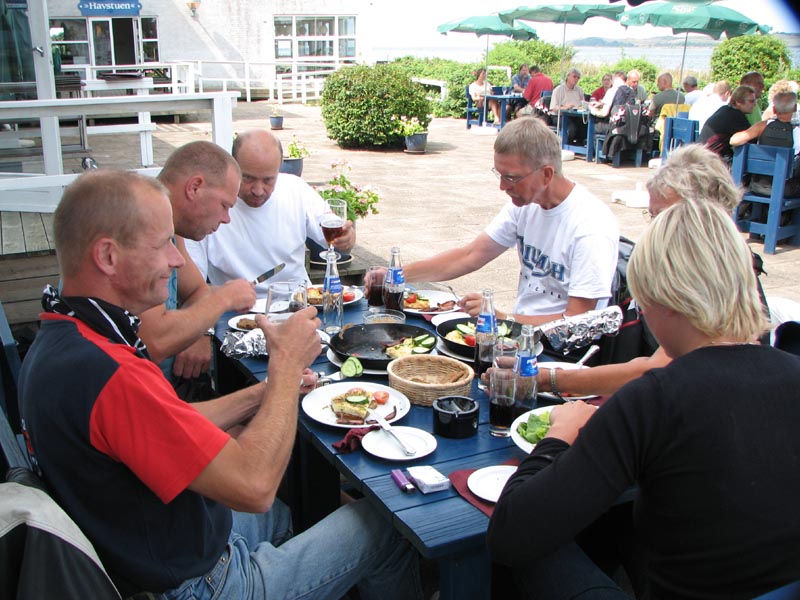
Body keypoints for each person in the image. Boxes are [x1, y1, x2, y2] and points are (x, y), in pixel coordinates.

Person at [18, 170, 423, 600]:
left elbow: (168, 420)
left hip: (156, 540)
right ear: (108, 256)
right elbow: (255, 487)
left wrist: (266, 392)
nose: (176, 261)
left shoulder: (65, 336)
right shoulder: (109, 374)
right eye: (163, 244)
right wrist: (285, 368)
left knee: (301, 502)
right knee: (389, 522)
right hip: (199, 584)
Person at [488, 198, 800, 599]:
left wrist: (557, 438)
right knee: (616, 520)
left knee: (524, 548)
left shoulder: (654, 400)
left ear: (663, 299)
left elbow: (511, 535)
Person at [534, 144, 746, 397]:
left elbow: (656, 370)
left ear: (704, 217)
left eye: (664, 217)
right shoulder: (691, 264)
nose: (654, 228)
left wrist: (550, 380)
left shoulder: (721, 277)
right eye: (652, 215)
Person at [391, 117, 619, 326]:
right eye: (499, 175)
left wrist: (505, 319)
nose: (502, 186)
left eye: (511, 177)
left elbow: (578, 319)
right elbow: (470, 255)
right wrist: (396, 274)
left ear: (547, 174)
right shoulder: (526, 205)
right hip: (521, 330)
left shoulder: (590, 226)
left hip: (561, 348)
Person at [137, 141, 257, 398]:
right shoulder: (141, 226)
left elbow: (197, 291)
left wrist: (201, 331)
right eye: (225, 205)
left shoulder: (169, 226)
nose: (227, 219)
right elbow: (154, 341)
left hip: (172, 388)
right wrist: (224, 298)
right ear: (194, 187)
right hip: (144, 399)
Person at [185, 130, 356, 295]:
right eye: (248, 178)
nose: (258, 190)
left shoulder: (295, 189)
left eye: (268, 180)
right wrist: (225, 295)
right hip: (236, 309)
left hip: (298, 302)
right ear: (233, 166)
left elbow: (335, 237)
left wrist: (346, 239)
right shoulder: (208, 207)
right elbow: (193, 290)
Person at [700, 84, 757, 163]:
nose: (755, 104)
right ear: (738, 102)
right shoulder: (735, 115)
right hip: (712, 161)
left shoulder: (725, 109)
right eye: (751, 101)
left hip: (701, 154)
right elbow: (752, 141)